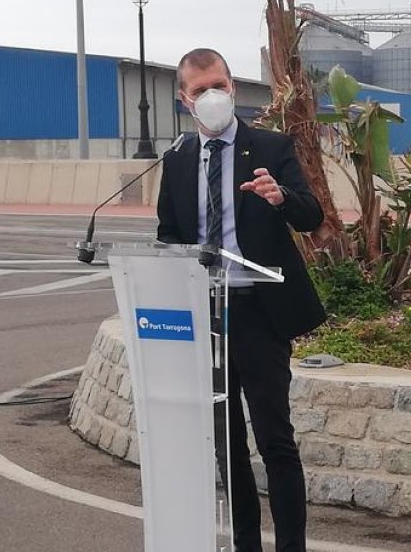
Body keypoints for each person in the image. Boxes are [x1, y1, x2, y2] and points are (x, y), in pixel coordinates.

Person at [156, 48, 325, 552]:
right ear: (184, 100)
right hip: (207, 318)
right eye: (200, 90)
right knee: (227, 446)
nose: (213, 96)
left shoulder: (270, 146)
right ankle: (245, 543)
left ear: (232, 87)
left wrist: (281, 197)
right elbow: (169, 234)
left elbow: (312, 215)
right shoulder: (178, 159)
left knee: (275, 440)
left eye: (220, 86)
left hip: (259, 314)